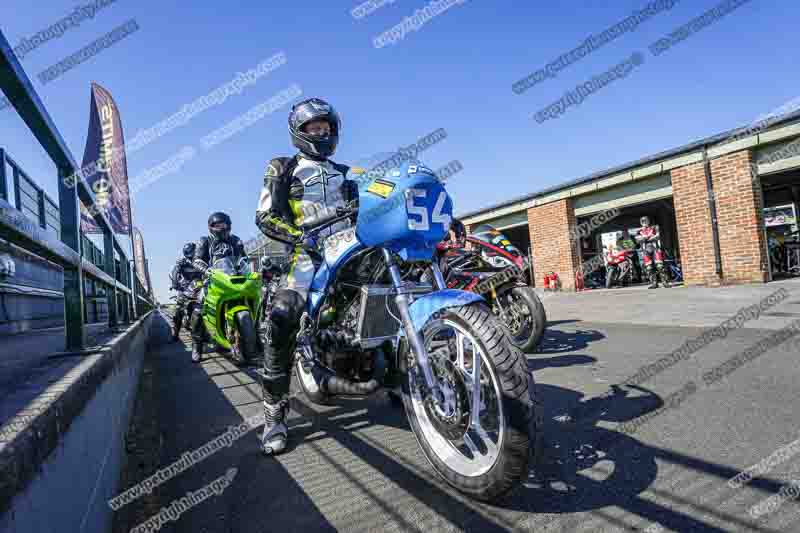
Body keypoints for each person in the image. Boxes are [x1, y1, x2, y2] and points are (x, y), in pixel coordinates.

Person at [254, 97, 361, 455]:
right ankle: (274, 415)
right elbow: (266, 216)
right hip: (307, 256)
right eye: (313, 128)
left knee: (388, 297)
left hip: (352, 251)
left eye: (325, 128)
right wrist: (301, 235)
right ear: (298, 133)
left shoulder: (347, 172)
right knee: (282, 316)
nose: (321, 133)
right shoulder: (282, 168)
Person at [189, 212, 248, 362]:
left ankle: (253, 341)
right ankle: (196, 346)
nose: (223, 228)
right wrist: (205, 269)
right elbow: (196, 260)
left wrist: (245, 265)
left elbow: (243, 257)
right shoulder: (205, 241)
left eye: (225, 225)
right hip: (212, 281)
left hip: (234, 279)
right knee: (198, 307)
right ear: (211, 227)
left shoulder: (235, 240)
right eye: (219, 225)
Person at [168, 242, 202, 342]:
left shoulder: (202, 260)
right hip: (186, 288)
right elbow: (175, 271)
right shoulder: (182, 262)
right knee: (178, 310)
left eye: (194, 251)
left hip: (201, 288)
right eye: (190, 252)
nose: (192, 254)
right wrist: (175, 283)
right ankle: (176, 332)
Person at [634, 216, 671, 289]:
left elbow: (658, 236)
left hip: (655, 249)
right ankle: (654, 283)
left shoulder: (654, 227)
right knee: (649, 267)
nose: (644, 223)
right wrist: (648, 237)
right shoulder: (638, 231)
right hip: (645, 251)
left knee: (660, 266)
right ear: (641, 223)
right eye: (643, 221)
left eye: (646, 221)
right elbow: (637, 239)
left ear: (648, 221)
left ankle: (664, 282)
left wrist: (645, 238)